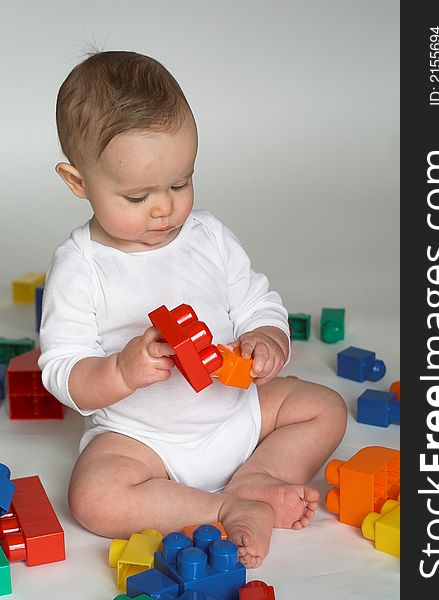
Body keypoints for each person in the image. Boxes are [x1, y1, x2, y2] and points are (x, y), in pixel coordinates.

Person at [39, 50, 347, 568]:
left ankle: (259, 477)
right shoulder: (80, 265)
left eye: (180, 183)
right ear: (78, 182)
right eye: (137, 196)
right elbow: (62, 372)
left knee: (324, 409)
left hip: (237, 410)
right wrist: (120, 369)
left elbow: (257, 302)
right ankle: (228, 506)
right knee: (93, 497)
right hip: (144, 441)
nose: (165, 207)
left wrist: (267, 338)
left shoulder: (208, 237)